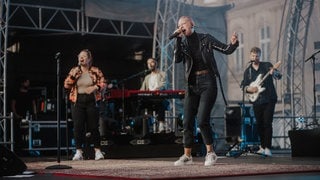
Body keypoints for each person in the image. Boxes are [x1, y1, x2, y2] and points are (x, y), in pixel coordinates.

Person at [172, 16, 239, 166]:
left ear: (192, 24)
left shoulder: (205, 39)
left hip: (208, 81)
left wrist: (233, 44)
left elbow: (225, 49)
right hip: (191, 84)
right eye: (179, 25)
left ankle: (211, 153)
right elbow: (176, 59)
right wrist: (177, 39)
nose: (181, 26)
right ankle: (187, 155)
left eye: (184, 23)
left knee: (202, 119)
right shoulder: (182, 43)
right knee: (187, 120)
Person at [64, 49, 107, 160]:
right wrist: (73, 76)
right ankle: (79, 152)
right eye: (79, 56)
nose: (81, 58)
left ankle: (97, 151)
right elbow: (66, 86)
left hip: (92, 100)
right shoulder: (74, 70)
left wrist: (95, 87)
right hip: (77, 101)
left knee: (93, 127)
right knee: (78, 127)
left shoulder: (95, 70)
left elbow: (104, 83)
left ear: (89, 59)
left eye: (83, 56)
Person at [242, 47, 282, 157]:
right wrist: (250, 89)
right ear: (250, 56)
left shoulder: (266, 65)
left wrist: (274, 72)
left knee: (267, 123)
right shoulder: (248, 71)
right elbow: (243, 85)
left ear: (260, 56)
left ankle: (268, 148)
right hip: (256, 100)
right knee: (259, 124)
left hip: (269, 98)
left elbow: (279, 77)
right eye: (253, 56)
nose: (255, 58)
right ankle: (262, 146)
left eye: (257, 56)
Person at [139, 57, 168, 133]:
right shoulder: (147, 77)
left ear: (156, 63)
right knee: (142, 103)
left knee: (160, 103)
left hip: (160, 97)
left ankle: (161, 124)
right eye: (148, 63)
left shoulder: (162, 74)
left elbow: (164, 85)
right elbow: (142, 89)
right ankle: (148, 125)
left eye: (151, 62)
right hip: (150, 98)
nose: (149, 65)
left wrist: (157, 89)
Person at [11, 76, 37, 154]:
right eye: (26, 82)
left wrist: (35, 114)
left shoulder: (30, 93)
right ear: (22, 83)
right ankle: (18, 150)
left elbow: (33, 104)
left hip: (28, 116)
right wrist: (15, 115)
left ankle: (28, 150)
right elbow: (12, 104)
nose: (28, 84)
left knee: (28, 133)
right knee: (18, 134)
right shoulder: (16, 92)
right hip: (18, 116)